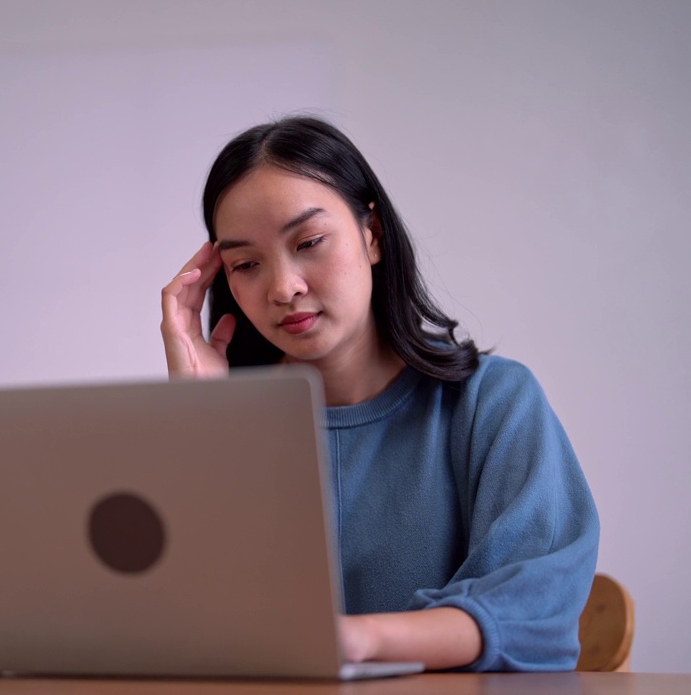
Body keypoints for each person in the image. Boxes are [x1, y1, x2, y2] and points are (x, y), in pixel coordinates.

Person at [159, 116, 599, 672]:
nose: (283, 287)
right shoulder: (228, 425)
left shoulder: (495, 403)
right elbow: (180, 621)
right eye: (246, 264)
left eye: (310, 243)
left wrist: (354, 641)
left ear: (372, 235)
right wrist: (200, 423)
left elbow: (535, 608)